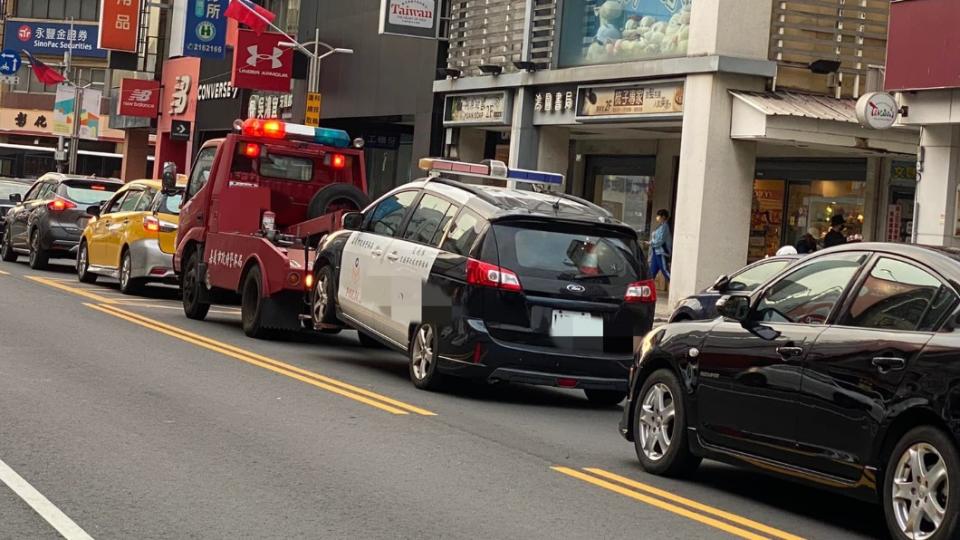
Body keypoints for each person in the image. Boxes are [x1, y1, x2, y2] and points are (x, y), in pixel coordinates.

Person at [650, 209, 672, 283]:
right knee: (651, 272)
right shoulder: (660, 226)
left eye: (658, 215)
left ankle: (674, 284)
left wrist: (651, 243)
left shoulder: (665, 227)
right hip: (656, 251)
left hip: (661, 252)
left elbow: (660, 241)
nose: (657, 217)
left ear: (663, 217)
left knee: (665, 270)